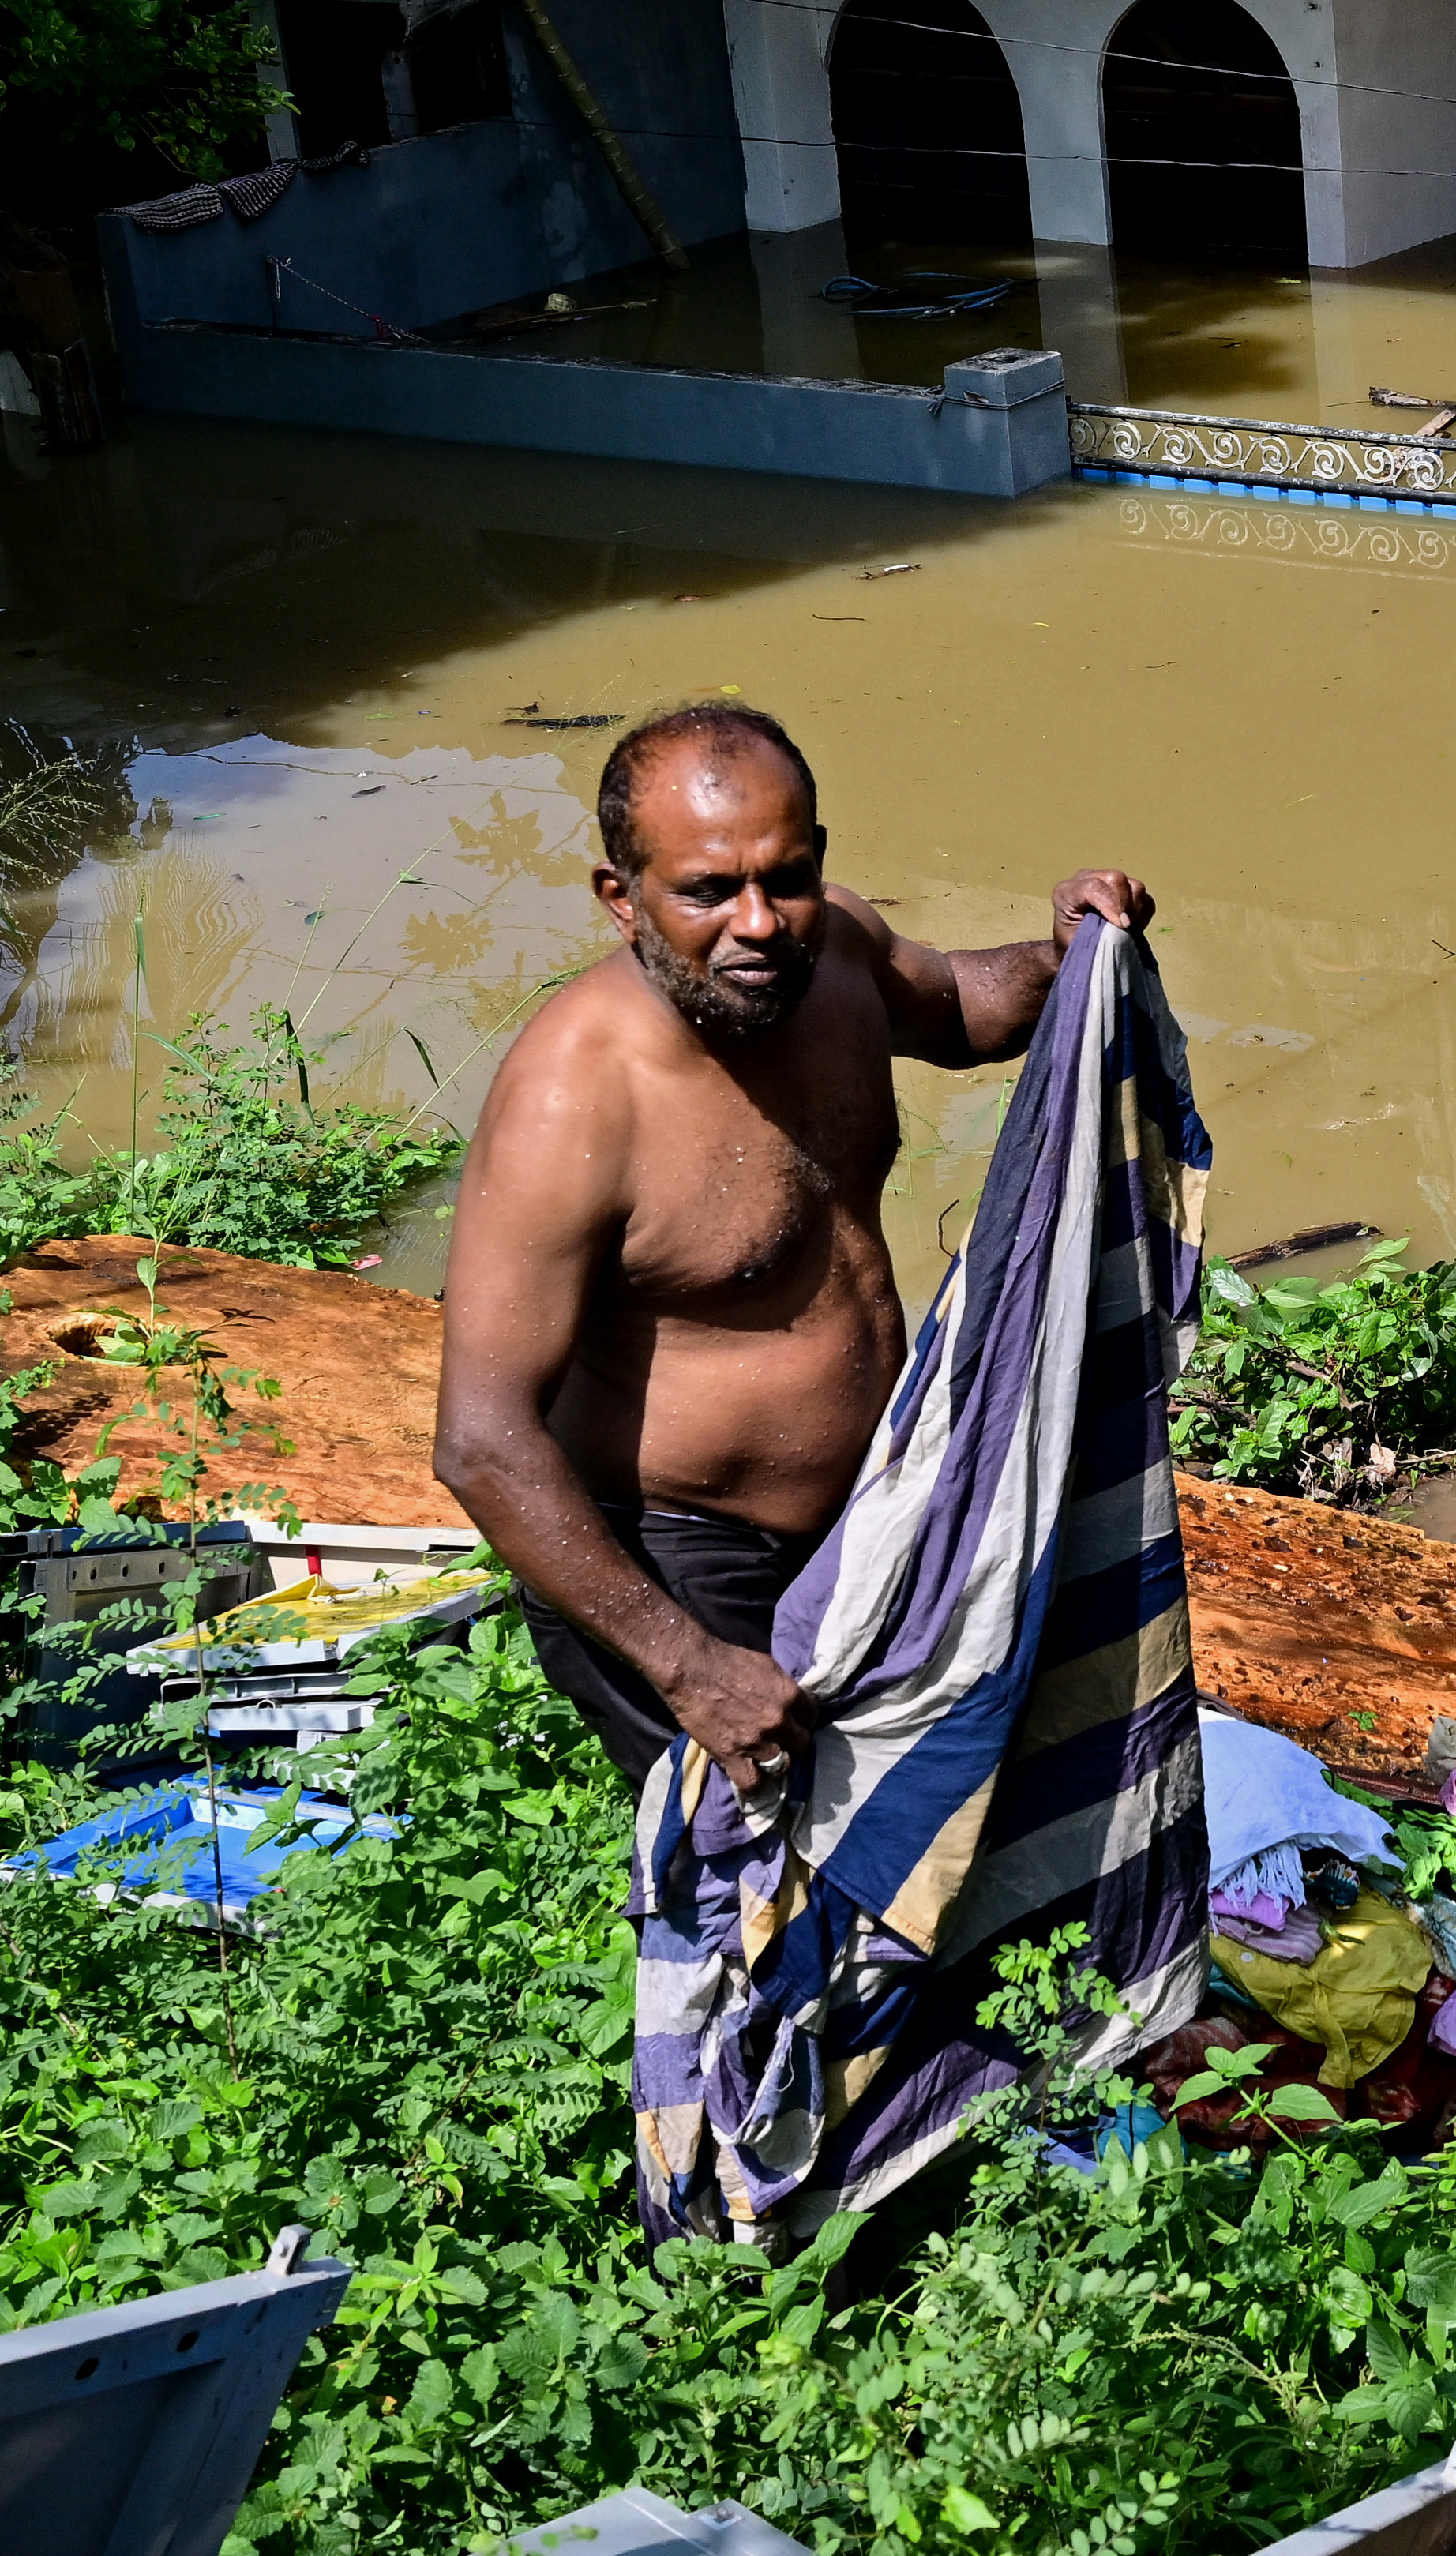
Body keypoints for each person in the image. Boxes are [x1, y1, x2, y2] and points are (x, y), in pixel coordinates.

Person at [433, 698, 1156, 1804]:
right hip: (679, 1560)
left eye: (788, 878)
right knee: (759, 1892)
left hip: (867, 1508)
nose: (760, 923)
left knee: (933, 1831)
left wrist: (1067, 952)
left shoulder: (838, 957)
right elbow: (483, 1442)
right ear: (620, 899)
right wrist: (689, 1667)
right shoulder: (575, 1098)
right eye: (709, 892)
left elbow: (963, 1004)